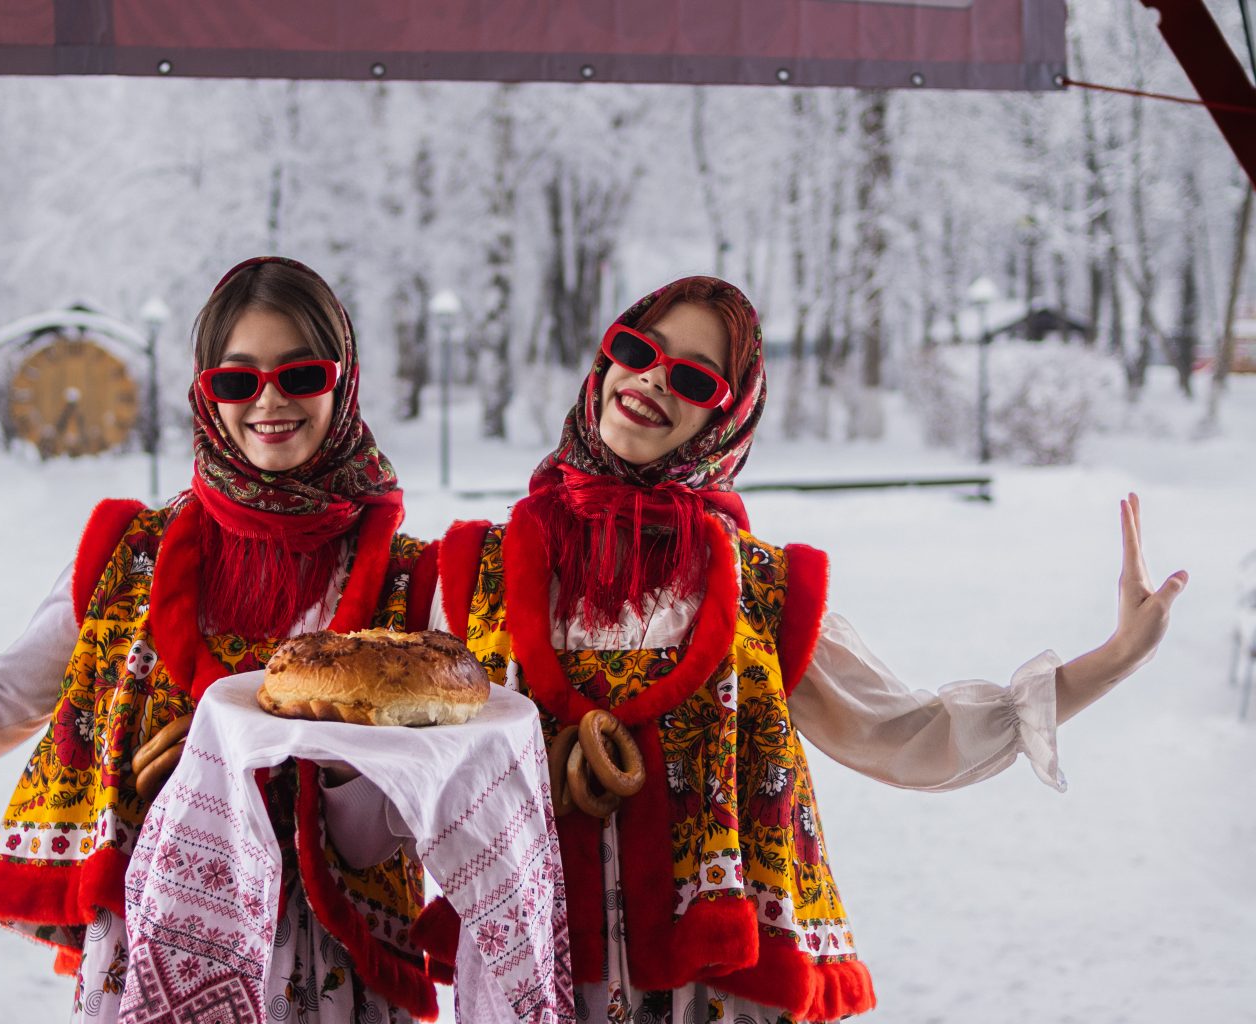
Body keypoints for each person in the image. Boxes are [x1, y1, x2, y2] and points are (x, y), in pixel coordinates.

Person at [430, 275, 1187, 1024]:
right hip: (528, 976)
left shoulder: (761, 592)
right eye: (639, 348)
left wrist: (1115, 658)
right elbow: (384, 753)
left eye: (695, 378)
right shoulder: (477, 574)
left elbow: (912, 736)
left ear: (728, 422)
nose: (655, 377)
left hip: (711, 992)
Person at [0, 257, 446, 1024]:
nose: (270, 400)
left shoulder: (407, 590)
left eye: (301, 373)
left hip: (329, 980)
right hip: (147, 968)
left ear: (342, 382)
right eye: (237, 379)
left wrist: (245, 766)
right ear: (204, 393)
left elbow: (383, 841)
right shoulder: (129, 561)